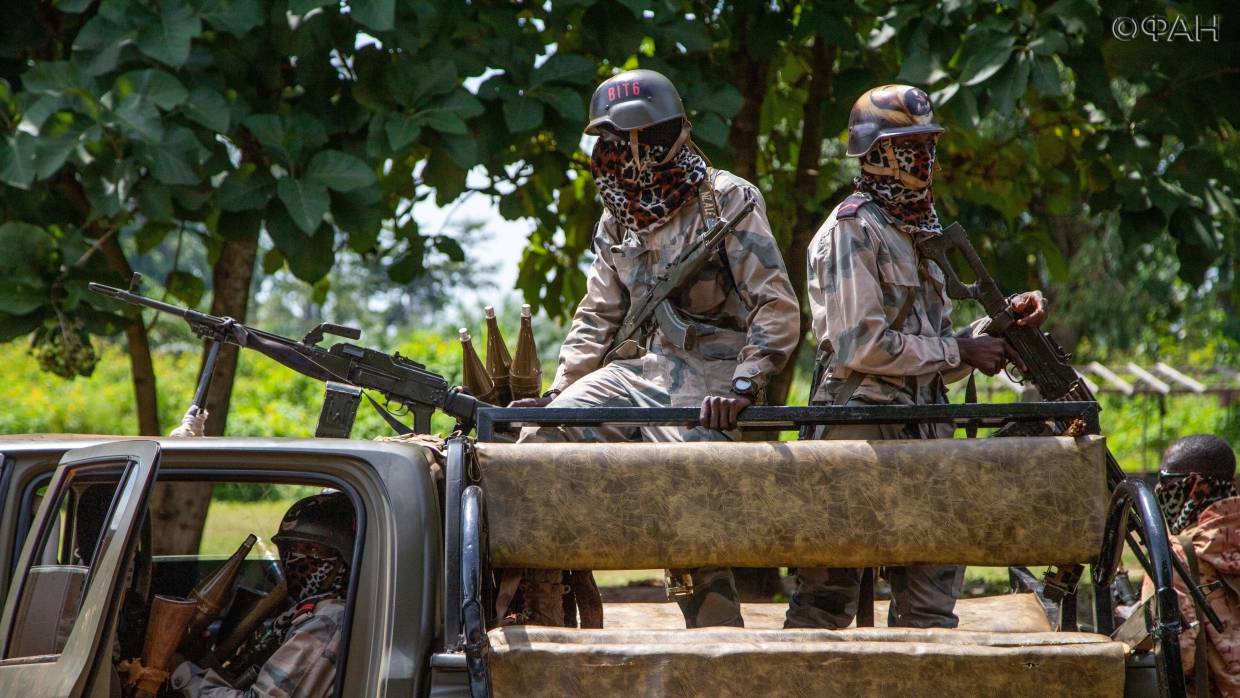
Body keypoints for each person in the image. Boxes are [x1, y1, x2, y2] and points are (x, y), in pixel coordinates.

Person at [508, 68, 800, 628]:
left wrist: (746, 382)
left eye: (631, 140)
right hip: (642, 370)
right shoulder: (617, 212)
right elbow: (598, 312)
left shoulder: (727, 201)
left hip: (716, 370)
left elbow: (776, 307)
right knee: (537, 440)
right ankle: (540, 595)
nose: (620, 153)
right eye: (612, 141)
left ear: (657, 138)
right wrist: (560, 391)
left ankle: (714, 630)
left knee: (686, 480)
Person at [786, 84, 1048, 629]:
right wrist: (960, 348)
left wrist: (991, 332)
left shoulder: (920, 229)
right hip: (858, 432)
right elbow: (862, 346)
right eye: (910, 146)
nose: (925, 159)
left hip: (925, 431)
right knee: (824, 607)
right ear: (876, 153)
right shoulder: (851, 230)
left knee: (929, 612)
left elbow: (935, 352)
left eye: (929, 145)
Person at [170, 493, 355, 698]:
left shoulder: (327, 621)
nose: (295, 558)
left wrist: (181, 673)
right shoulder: (307, 610)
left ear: (345, 555)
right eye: (289, 549)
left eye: (311, 549)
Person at [1150, 434, 1240, 696]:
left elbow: (1178, 656)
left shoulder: (1175, 556)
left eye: (1166, 481)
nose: (1160, 490)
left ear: (1196, 487)